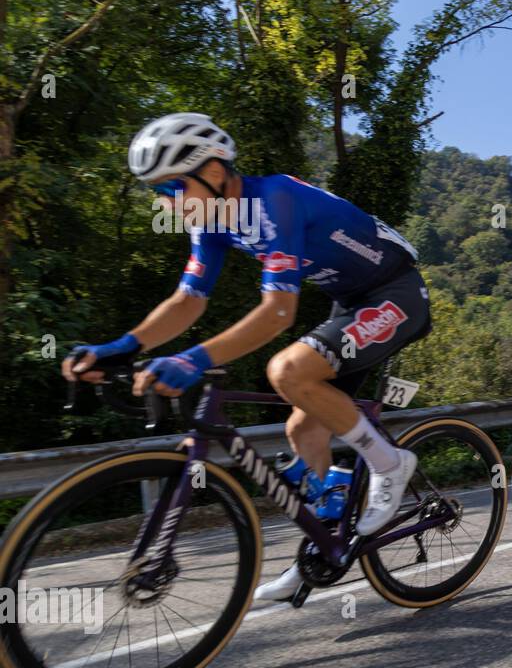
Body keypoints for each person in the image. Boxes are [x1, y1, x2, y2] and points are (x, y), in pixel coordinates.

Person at [62, 113, 431, 601]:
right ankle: (325, 547)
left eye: (171, 187)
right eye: (158, 191)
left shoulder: (273, 200)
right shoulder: (213, 221)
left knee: (287, 370)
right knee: (302, 429)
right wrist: (122, 347)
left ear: (213, 173)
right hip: (350, 302)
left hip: (396, 293)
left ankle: (389, 463)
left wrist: (191, 360)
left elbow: (278, 312)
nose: (164, 201)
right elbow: (188, 300)